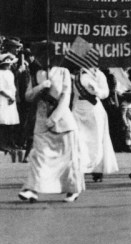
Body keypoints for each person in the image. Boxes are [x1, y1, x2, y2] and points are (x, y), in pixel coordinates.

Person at [19, 44, 83, 203]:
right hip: (41, 120)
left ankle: (72, 190)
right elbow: (27, 96)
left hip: (62, 121)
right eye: (41, 55)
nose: (44, 58)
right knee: (39, 157)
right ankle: (32, 190)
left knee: (67, 159)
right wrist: (40, 87)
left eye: (47, 54)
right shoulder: (36, 74)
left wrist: (53, 118)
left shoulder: (64, 72)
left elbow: (66, 97)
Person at [71, 63, 118, 183]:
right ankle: (81, 167)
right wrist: (72, 109)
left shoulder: (99, 74)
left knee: (96, 141)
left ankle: (97, 170)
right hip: (79, 109)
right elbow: (75, 95)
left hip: (94, 109)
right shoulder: (77, 75)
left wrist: (95, 90)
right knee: (79, 140)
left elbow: (105, 93)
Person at [0, 53, 20, 159]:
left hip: (11, 99)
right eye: (6, 63)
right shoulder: (0, 73)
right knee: (3, 122)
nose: (8, 65)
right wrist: (9, 96)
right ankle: (2, 144)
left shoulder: (10, 73)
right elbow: (1, 88)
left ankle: (10, 143)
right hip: (3, 99)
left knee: (10, 122)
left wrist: (13, 96)